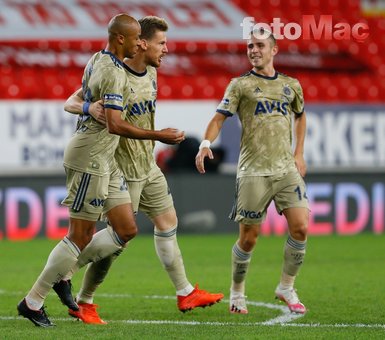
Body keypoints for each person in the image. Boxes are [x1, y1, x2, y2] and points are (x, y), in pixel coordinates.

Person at [17, 13, 185, 328]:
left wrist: (85, 106)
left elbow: (82, 100)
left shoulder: (98, 59)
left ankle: (63, 277)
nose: (140, 43)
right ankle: (33, 300)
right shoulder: (113, 72)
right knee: (80, 235)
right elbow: (115, 124)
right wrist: (159, 136)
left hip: (107, 161)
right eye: (136, 38)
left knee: (126, 229)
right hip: (90, 157)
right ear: (121, 39)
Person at [57, 16, 224, 324]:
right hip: (121, 168)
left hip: (147, 165)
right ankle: (74, 288)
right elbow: (73, 100)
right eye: (161, 43)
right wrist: (86, 107)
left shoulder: (150, 73)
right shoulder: (113, 74)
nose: (167, 49)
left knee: (167, 220)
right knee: (120, 239)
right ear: (142, 43)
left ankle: (185, 291)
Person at [195, 28, 309, 315]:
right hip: (253, 171)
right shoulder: (240, 85)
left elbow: (300, 115)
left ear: (274, 50)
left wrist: (298, 153)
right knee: (248, 238)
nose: (254, 50)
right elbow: (218, 118)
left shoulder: (291, 84)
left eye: (260, 45)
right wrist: (205, 143)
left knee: (301, 227)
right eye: (250, 46)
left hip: (285, 169)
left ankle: (286, 286)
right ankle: (237, 292)